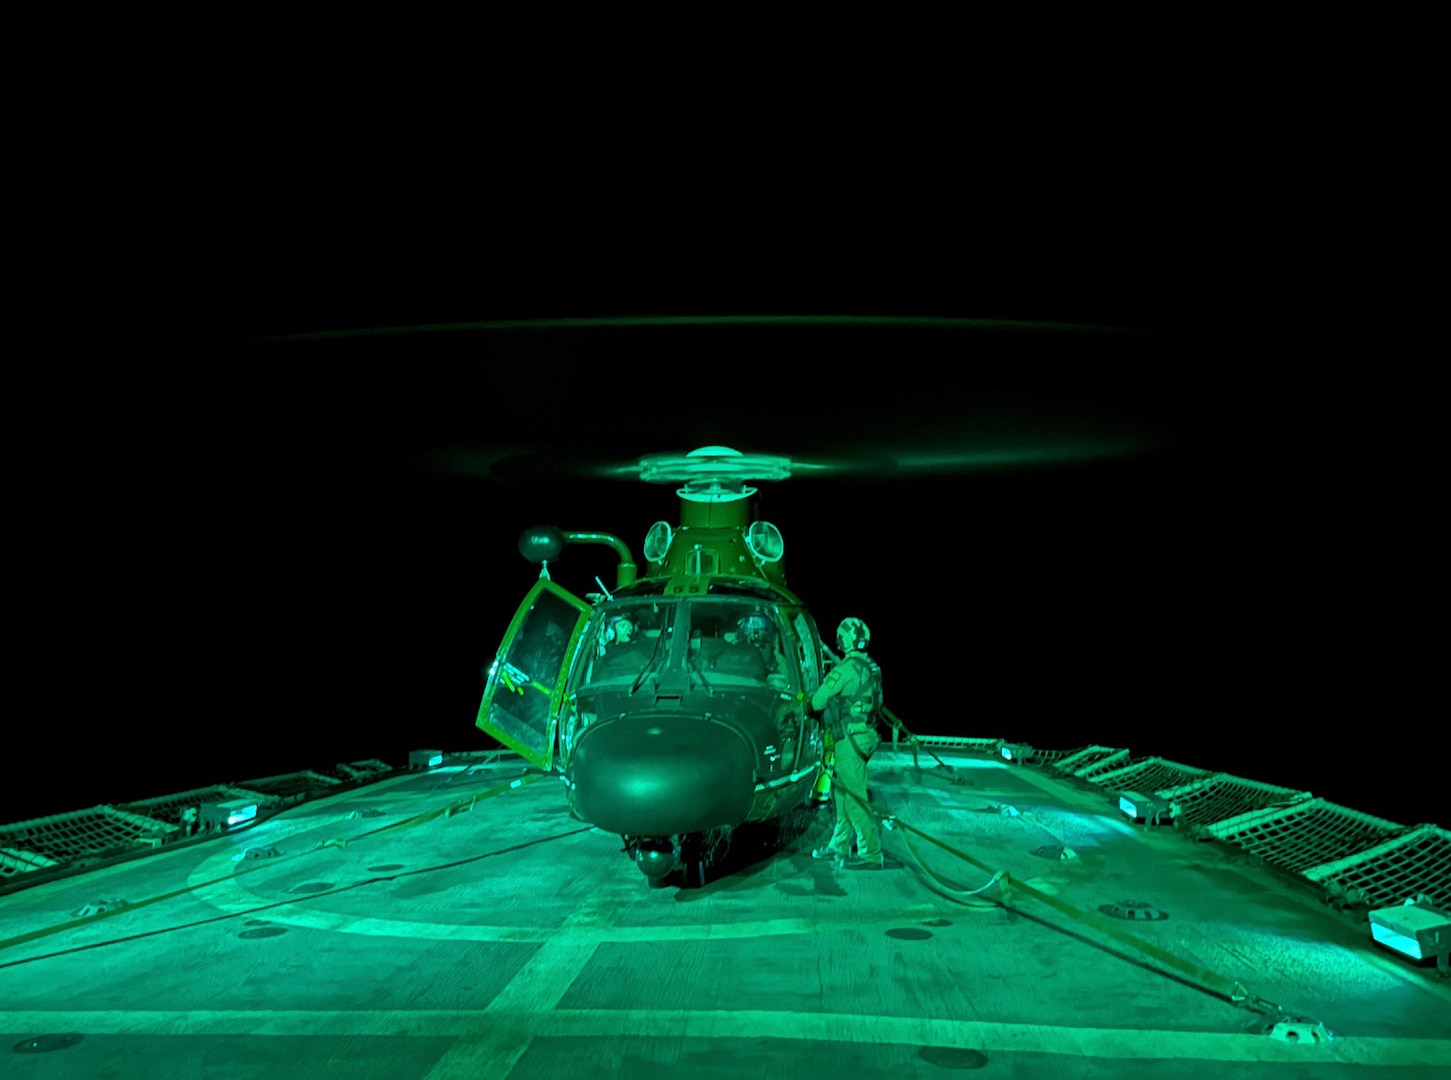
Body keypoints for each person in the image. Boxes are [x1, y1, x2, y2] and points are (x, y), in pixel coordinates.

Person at [810, 617, 884, 869]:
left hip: (850, 739)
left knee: (854, 798)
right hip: (866, 735)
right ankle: (839, 845)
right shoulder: (873, 667)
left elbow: (817, 702)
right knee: (841, 794)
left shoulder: (843, 670)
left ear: (843, 640)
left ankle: (870, 854)